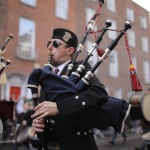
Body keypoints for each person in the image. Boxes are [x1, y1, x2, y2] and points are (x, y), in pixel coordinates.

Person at [30, 28, 130, 150]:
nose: (50, 47)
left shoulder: (80, 67)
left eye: (55, 44)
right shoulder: (47, 75)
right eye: (48, 44)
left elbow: (99, 93)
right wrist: (38, 123)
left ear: (70, 50)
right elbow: (46, 111)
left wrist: (60, 107)